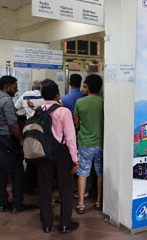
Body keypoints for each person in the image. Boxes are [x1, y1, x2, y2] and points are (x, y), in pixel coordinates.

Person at [34, 79, 80, 234]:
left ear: (41, 94)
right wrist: (75, 158)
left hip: (43, 153)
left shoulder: (38, 110)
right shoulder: (63, 111)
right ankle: (66, 223)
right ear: (57, 94)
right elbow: (70, 136)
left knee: (45, 187)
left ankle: (46, 224)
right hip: (61, 153)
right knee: (65, 187)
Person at [0, 75, 34, 213]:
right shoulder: (7, 101)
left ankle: (2, 203)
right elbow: (12, 124)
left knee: (0, 171)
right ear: (7, 87)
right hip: (9, 140)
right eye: (14, 86)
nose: (17, 89)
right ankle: (17, 204)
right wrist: (20, 139)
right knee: (17, 172)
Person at [74, 74, 104, 213]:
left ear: (89, 87)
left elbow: (76, 125)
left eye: (85, 86)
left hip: (85, 143)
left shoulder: (80, 102)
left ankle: (81, 204)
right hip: (101, 143)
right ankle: (98, 201)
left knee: (83, 172)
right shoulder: (104, 102)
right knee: (100, 172)